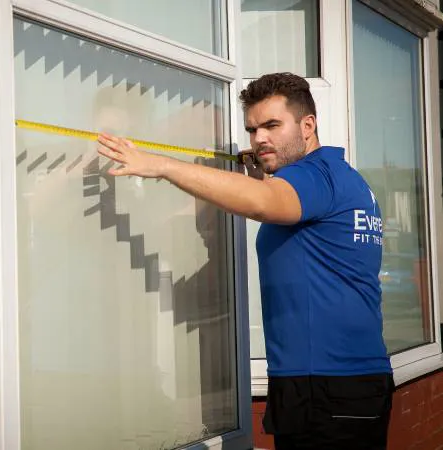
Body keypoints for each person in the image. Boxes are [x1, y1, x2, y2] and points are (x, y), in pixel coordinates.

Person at [96, 72, 393, 449]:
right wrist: (260, 178)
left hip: (327, 385)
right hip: (340, 380)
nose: (259, 138)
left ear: (307, 126)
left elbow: (262, 203)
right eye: (253, 129)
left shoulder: (314, 175)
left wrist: (162, 166)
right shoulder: (342, 178)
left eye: (272, 125)